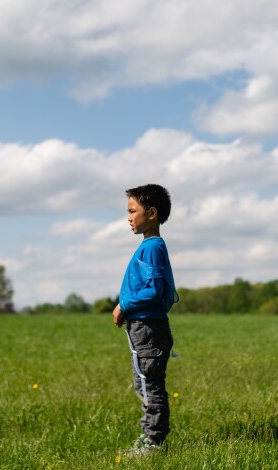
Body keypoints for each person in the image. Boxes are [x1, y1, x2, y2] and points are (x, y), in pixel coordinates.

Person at [113, 183, 177, 456]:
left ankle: (153, 442)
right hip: (145, 327)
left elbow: (154, 290)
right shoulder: (150, 246)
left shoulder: (152, 247)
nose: (128, 217)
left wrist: (123, 305)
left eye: (132, 211)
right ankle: (150, 438)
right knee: (144, 382)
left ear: (151, 213)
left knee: (150, 384)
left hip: (148, 328)